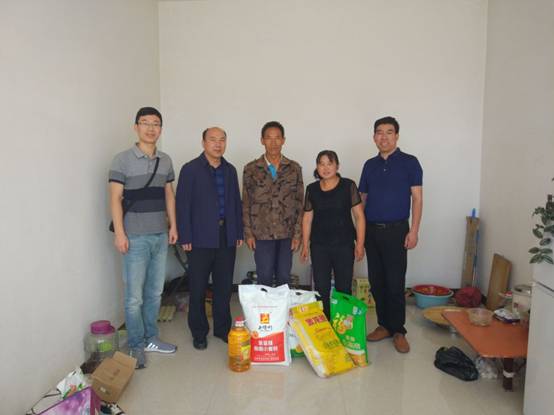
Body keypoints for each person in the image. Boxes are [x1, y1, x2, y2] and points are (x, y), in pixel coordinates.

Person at [108, 107, 178, 369]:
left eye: (156, 123)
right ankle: (136, 345)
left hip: (160, 235)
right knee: (134, 297)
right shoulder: (122, 160)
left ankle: (151, 338)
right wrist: (120, 233)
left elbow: (169, 195)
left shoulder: (166, 160)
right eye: (145, 123)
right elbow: (115, 198)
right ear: (136, 127)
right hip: (134, 237)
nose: (151, 128)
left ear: (161, 129)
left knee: (155, 292)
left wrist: (173, 226)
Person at [359, 116, 423, 353]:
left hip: (397, 231)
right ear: (374, 137)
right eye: (379, 132)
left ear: (396, 136)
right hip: (372, 231)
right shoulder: (369, 165)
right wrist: (359, 233)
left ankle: (398, 330)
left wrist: (414, 230)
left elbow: (417, 199)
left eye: (389, 132)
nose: (383, 137)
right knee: (377, 282)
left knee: (395, 282)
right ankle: (384, 325)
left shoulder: (410, 163)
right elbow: (362, 201)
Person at [176, 127, 243, 350]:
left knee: (224, 286)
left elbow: (235, 203)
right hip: (199, 237)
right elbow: (182, 205)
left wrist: (238, 232)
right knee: (198, 287)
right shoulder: (190, 169)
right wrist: (185, 235)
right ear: (203, 142)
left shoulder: (230, 170)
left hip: (226, 236)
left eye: (222, 140)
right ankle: (199, 332)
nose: (217, 144)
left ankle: (223, 329)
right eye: (212, 139)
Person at [300, 150, 366, 318]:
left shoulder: (348, 186)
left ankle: (343, 324)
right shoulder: (312, 189)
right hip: (319, 246)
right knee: (321, 287)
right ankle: (325, 323)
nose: (325, 168)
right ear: (317, 167)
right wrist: (305, 245)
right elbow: (307, 218)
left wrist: (360, 244)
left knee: (343, 287)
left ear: (337, 166)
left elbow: (359, 216)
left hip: (344, 245)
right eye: (321, 164)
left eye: (330, 163)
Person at [242, 121, 304, 286]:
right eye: (269, 138)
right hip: (261, 233)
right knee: (264, 277)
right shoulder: (251, 169)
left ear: (283, 140)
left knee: (284, 278)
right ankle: (265, 305)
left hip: (287, 233)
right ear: (262, 140)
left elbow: (300, 203)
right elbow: (246, 203)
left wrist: (297, 235)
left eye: (277, 138)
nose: (273, 142)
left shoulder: (294, 168)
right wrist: (248, 234)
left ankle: (282, 305)